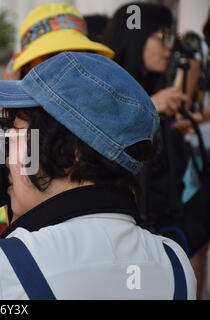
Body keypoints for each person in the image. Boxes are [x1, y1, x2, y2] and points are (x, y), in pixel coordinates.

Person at [0, 52, 196, 300]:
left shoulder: (6, 267)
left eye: (16, 138)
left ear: (71, 156)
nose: (2, 156)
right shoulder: (174, 264)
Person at [0, 3, 115, 266]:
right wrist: (9, 205)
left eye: (76, 56)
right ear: (26, 67)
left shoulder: (96, 123)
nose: (65, 68)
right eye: (52, 56)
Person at [103, 2, 209, 299]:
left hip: (165, 231)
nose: (169, 47)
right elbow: (97, 140)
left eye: (172, 38)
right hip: (128, 240)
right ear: (136, 39)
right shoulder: (108, 88)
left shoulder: (158, 84)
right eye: (161, 37)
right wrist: (149, 106)